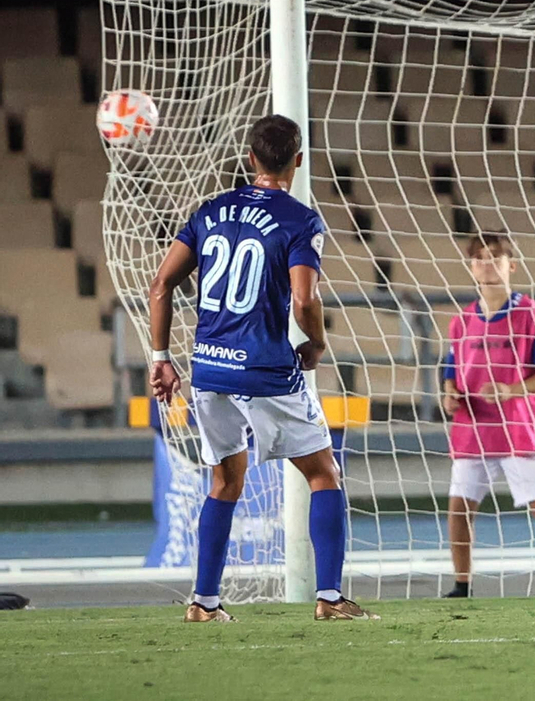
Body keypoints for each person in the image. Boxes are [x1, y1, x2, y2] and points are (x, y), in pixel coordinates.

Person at [148, 114, 373, 621]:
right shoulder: (301, 219)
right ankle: (331, 598)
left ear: (250, 158)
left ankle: (204, 602)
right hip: (266, 368)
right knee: (323, 474)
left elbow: (160, 286)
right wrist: (314, 342)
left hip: (208, 367)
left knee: (225, 481)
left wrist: (162, 360)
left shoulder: (210, 211)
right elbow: (303, 297)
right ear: (298, 160)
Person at [441, 233, 535, 597]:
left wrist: (511, 390)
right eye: (479, 258)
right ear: (471, 267)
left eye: (495, 257)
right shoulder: (461, 322)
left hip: (520, 429)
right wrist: (450, 397)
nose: (486, 264)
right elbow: (451, 374)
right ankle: (462, 585)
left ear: (512, 265)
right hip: (474, 428)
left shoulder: (533, 315)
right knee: (460, 508)